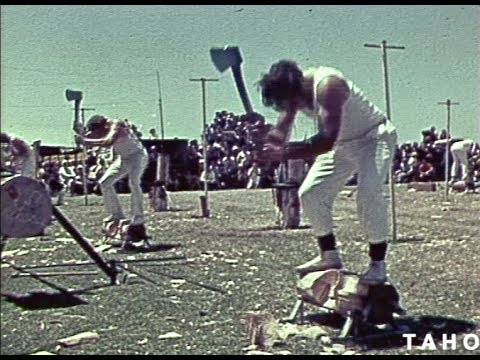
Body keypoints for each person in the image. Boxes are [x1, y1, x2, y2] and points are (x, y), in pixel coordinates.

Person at [257, 60, 397, 285]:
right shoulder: (294, 92)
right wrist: (266, 145)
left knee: (369, 195)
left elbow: (325, 141)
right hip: (342, 144)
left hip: (372, 138)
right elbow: (282, 128)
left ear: (297, 87)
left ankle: (378, 265)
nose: (293, 106)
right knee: (311, 193)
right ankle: (329, 255)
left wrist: (283, 153)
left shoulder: (328, 85)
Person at [78, 115, 149, 242]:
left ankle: (138, 218)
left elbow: (107, 141)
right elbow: (90, 137)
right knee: (104, 183)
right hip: (123, 158)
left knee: (134, 182)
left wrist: (86, 141)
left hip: (137, 156)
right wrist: (80, 134)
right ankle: (116, 214)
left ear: (102, 126)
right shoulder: (103, 129)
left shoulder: (116, 125)